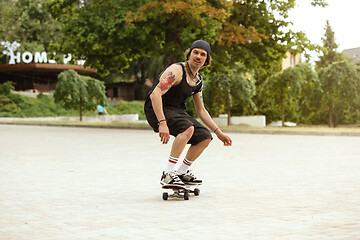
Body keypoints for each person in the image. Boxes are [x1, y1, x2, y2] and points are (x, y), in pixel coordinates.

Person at [144, 40, 232, 186]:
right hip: (156, 109)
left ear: (206, 60)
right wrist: (162, 123)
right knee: (187, 128)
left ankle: (182, 172)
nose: (198, 56)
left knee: (204, 137)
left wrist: (218, 132)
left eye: (203, 54)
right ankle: (168, 173)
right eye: (195, 52)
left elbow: (201, 110)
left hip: (176, 111)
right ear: (189, 54)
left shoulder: (197, 81)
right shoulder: (176, 70)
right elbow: (155, 95)